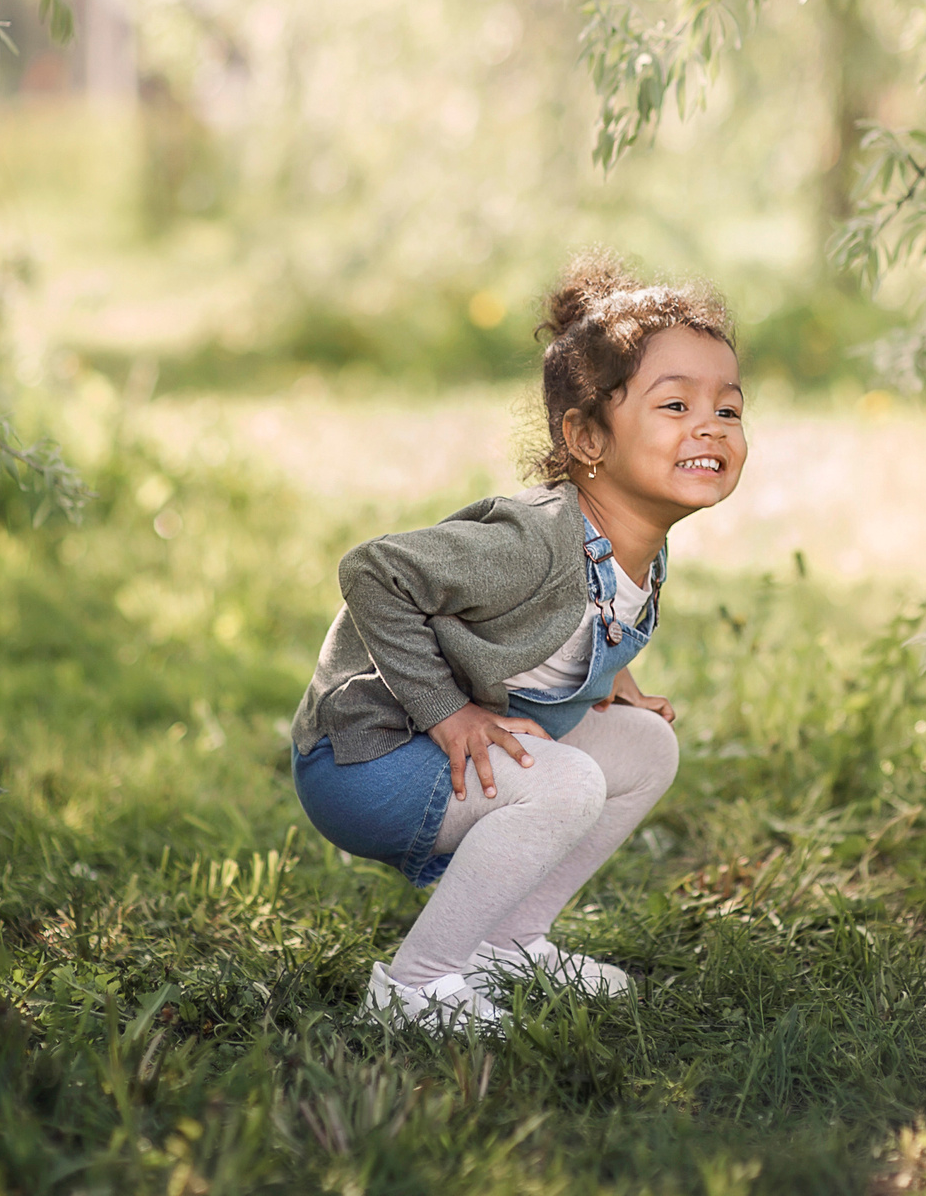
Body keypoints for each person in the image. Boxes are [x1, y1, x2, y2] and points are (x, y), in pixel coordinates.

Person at [289, 253, 747, 1031]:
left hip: (428, 754)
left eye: (729, 410)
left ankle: (506, 944)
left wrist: (614, 677)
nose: (709, 425)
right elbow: (373, 571)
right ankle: (414, 987)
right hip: (366, 761)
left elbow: (570, 623)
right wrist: (447, 714)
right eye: (675, 405)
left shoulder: (639, 545)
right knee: (564, 781)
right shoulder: (532, 540)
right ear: (587, 438)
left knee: (644, 747)